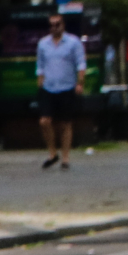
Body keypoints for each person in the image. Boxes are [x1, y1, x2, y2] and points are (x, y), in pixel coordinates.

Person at [36, 13, 87, 169]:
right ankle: (52, 152)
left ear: (63, 25)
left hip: (66, 86)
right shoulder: (43, 44)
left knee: (65, 124)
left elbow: (81, 64)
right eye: (51, 25)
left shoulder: (73, 42)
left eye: (57, 24)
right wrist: (40, 80)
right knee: (44, 121)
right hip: (48, 86)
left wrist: (80, 82)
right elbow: (40, 65)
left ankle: (65, 157)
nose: (54, 27)